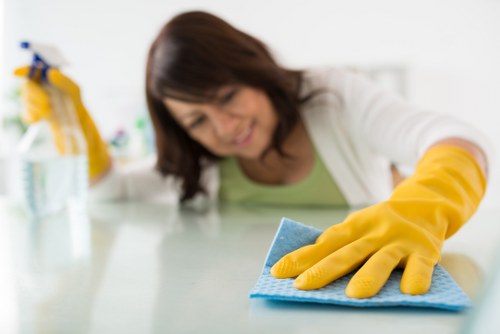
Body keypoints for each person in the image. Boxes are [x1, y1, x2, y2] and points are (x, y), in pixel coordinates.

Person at [15, 11, 490, 299]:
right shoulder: (201, 163)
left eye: (226, 97)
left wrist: (427, 201)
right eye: (197, 121)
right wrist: (68, 122)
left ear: (255, 71)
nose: (223, 128)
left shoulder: (332, 95)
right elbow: (109, 195)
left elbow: (454, 135)